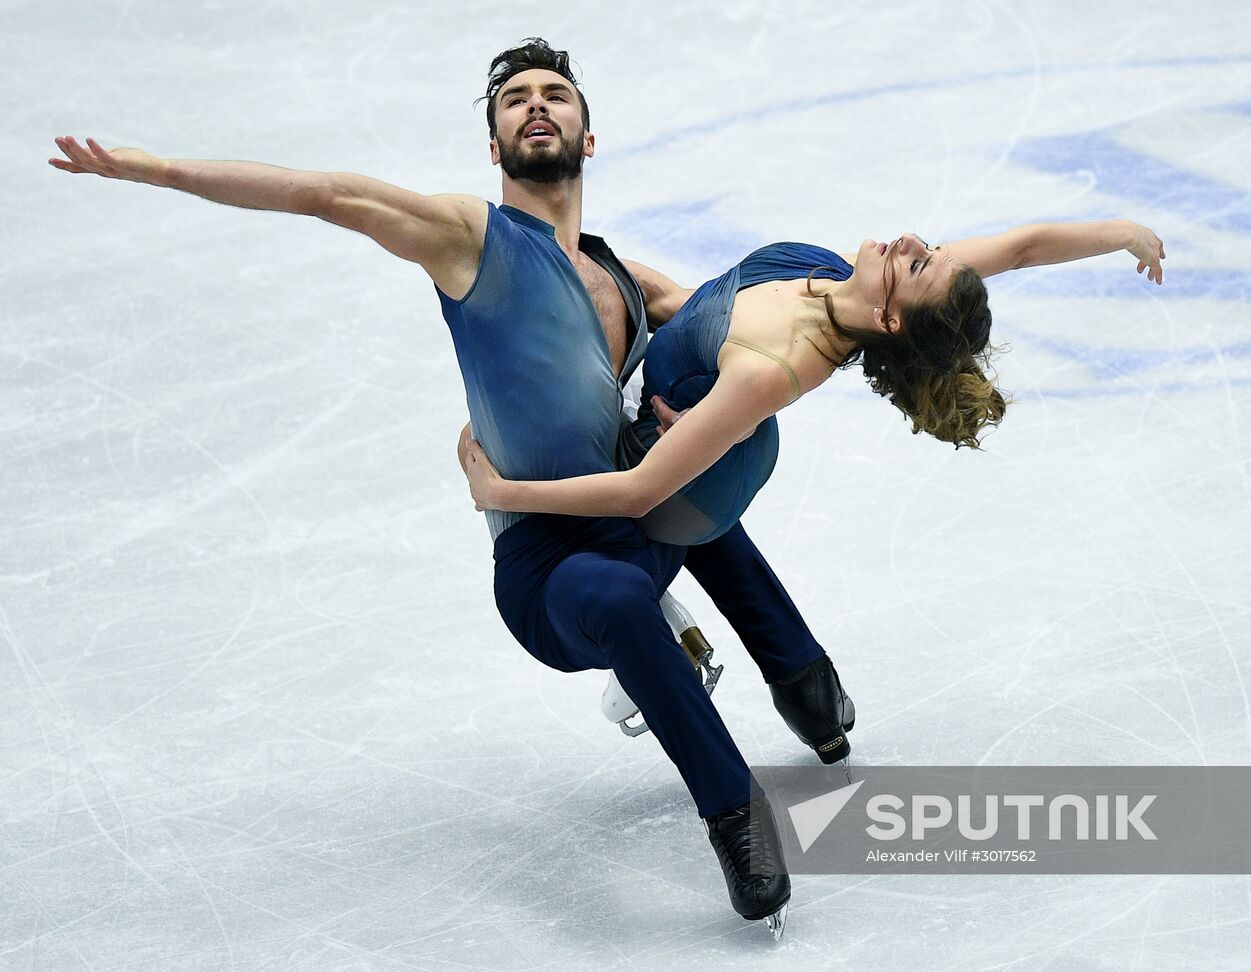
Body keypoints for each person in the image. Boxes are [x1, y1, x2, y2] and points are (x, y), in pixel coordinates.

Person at [47, 38, 851, 937]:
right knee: (623, 587)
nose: (536, 105)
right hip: (555, 574)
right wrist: (164, 172)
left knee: (700, 444)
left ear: (588, 138)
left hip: (633, 515)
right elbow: (328, 195)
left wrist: (883, 324)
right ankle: (737, 818)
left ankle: (803, 680)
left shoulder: (622, 274)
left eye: (555, 95)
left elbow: (747, 325)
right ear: (496, 142)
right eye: (515, 100)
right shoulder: (475, 244)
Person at [460, 223, 1166, 544]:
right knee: (600, 272)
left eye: (920, 266)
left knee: (640, 512)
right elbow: (1020, 248)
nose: (917, 241)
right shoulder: (826, 276)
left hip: (687, 497)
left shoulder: (772, 369)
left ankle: (656, 598)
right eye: (934, 252)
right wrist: (1118, 232)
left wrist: (498, 494)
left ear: (890, 319)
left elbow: (640, 492)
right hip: (704, 392)